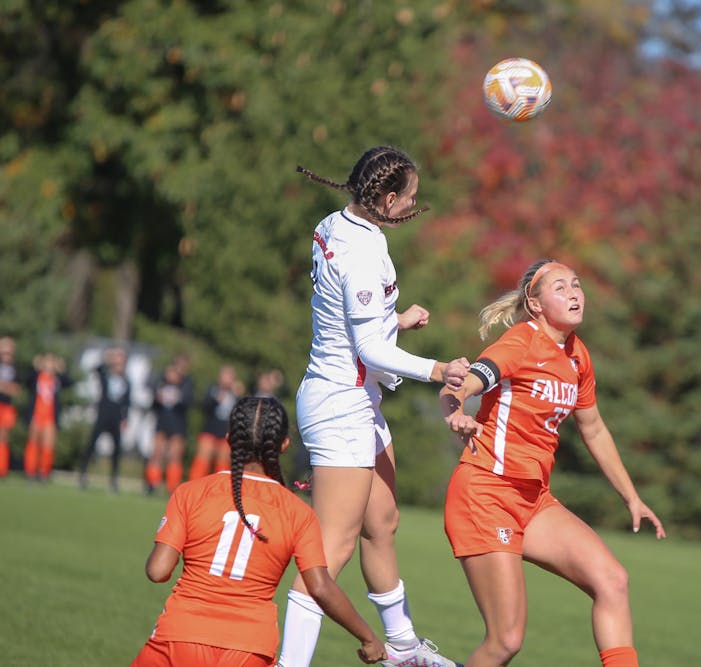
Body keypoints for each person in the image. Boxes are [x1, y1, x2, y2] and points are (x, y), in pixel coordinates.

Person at [278, 147, 469, 667]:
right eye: (409, 197)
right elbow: (368, 351)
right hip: (341, 405)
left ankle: (403, 649)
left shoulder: (337, 223)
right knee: (329, 552)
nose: (414, 205)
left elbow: (344, 315)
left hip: (356, 399)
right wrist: (437, 370)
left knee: (381, 522)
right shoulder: (361, 252)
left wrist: (394, 319)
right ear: (385, 198)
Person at [439, 260, 666, 667]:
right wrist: (456, 410)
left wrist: (632, 497)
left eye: (577, 285)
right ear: (536, 303)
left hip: (533, 499)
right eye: (560, 288)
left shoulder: (577, 355)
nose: (574, 293)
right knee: (505, 641)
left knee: (612, 581)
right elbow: (465, 383)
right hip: (486, 493)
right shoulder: (520, 342)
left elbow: (593, 429)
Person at [131, 396, 387, 667]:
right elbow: (320, 587)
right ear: (284, 445)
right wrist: (368, 637)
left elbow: (157, 571)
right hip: (250, 648)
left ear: (229, 439)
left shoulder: (190, 493)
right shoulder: (297, 513)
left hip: (179, 636)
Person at [79, 346, 132, 492]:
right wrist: (107, 359)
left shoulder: (126, 380)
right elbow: (97, 368)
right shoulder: (105, 374)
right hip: (103, 414)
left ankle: (113, 479)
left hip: (116, 418)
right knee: (91, 444)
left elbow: (127, 402)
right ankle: (82, 473)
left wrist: (125, 419)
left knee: (116, 450)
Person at [146, 354, 195, 494]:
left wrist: (178, 383)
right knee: (157, 452)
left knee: (175, 454)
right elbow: (152, 391)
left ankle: (172, 486)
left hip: (178, 422)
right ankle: (151, 483)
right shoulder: (162, 378)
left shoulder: (187, 382)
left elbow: (188, 401)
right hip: (162, 419)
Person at [23, 353, 73, 482]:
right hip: (36, 415)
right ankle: (30, 471)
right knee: (33, 443)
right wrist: (35, 367)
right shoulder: (37, 377)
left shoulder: (56, 380)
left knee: (48, 446)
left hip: (50, 417)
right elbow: (27, 381)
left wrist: (62, 369)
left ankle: (44, 473)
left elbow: (69, 383)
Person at [188, 365, 243, 481]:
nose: (226, 379)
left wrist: (238, 396)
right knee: (202, 460)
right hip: (210, 429)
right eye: (224, 375)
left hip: (226, 432)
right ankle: (195, 485)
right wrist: (216, 399)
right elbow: (204, 406)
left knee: (222, 463)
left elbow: (241, 414)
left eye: (229, 376)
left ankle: (219, 489)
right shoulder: (212, 389)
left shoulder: (236, 393)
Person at [0, 337, 20, 478]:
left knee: (3, 437)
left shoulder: (16, 369)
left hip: (6, 407)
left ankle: (2, 469)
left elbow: (16, 390)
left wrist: (3, 386)